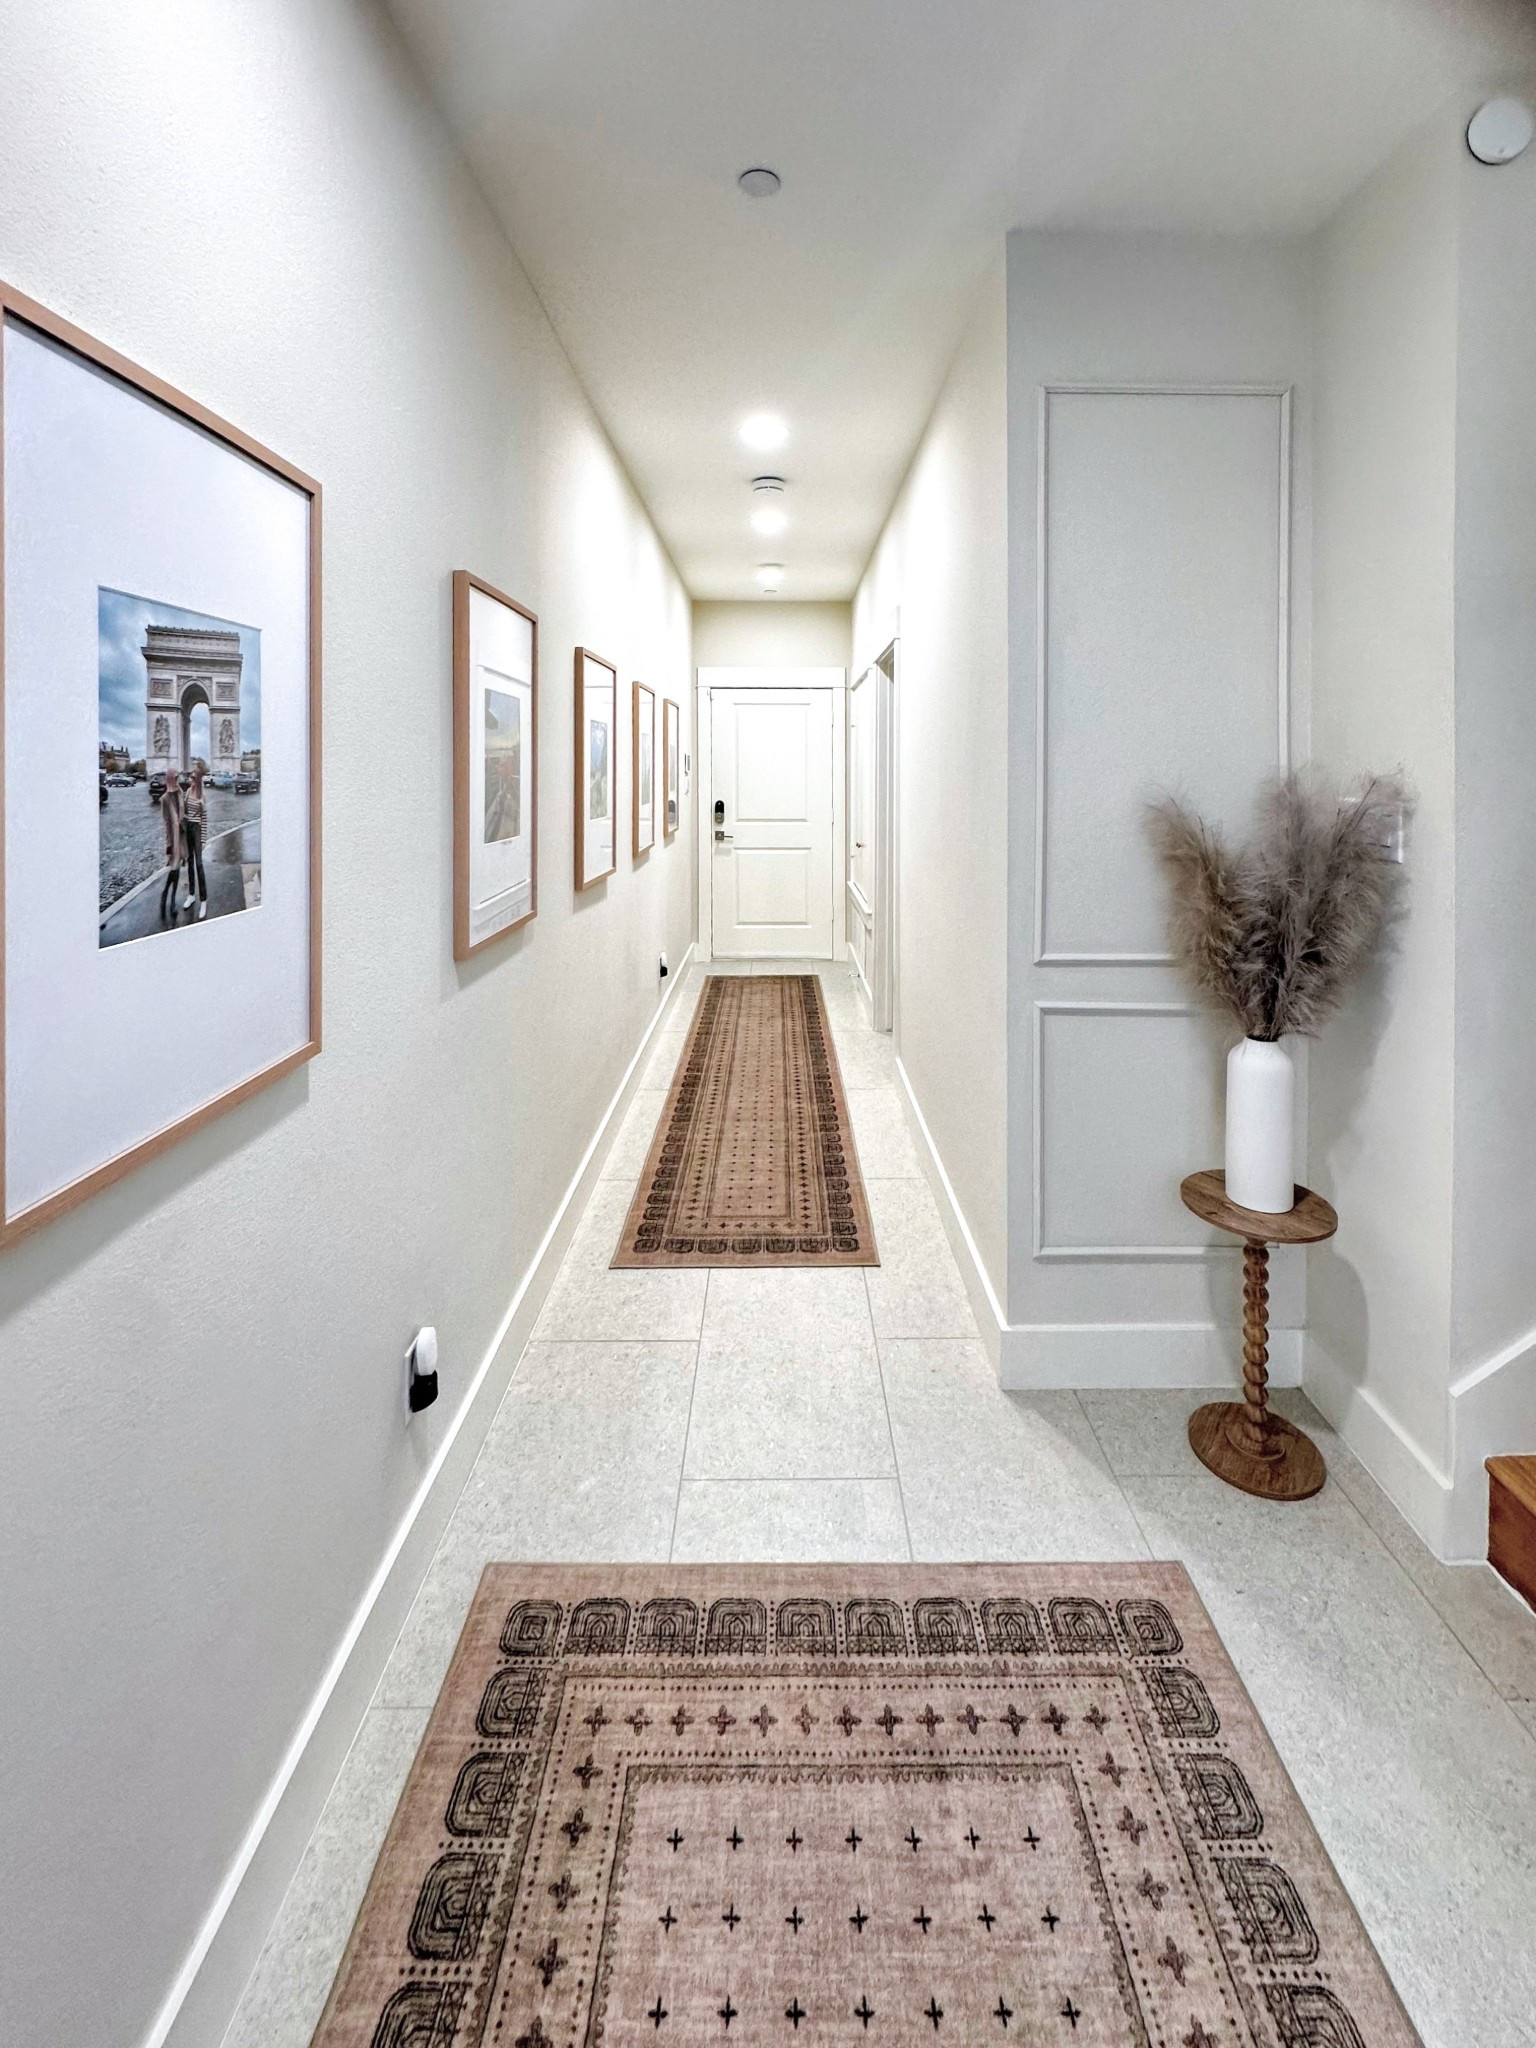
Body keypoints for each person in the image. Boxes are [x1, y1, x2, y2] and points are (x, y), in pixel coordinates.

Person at [158, 766, 184, 921]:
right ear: (170, 779)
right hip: (173, 840)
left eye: (178, 777)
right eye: (175, 777)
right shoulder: (165, 799)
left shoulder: (180, 793)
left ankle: (171, 897)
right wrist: (168, 844)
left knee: (177, 869)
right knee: (174, 869)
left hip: (181, 838)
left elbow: (183, 813)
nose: (178, 780)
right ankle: (167, 896)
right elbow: (167, 824)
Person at [182, 766, 208, 920]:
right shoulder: (187, 792)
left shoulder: (202, 796)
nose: (190, 779)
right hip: (188, 829)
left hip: (197, 829)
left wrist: (203, 840)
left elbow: (204, 819)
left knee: (199, 864)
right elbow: (184, 813)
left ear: (197, 780)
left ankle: (203, 900)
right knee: (190, 863)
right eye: (190, 777)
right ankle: (191, 895)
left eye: (192, 777)